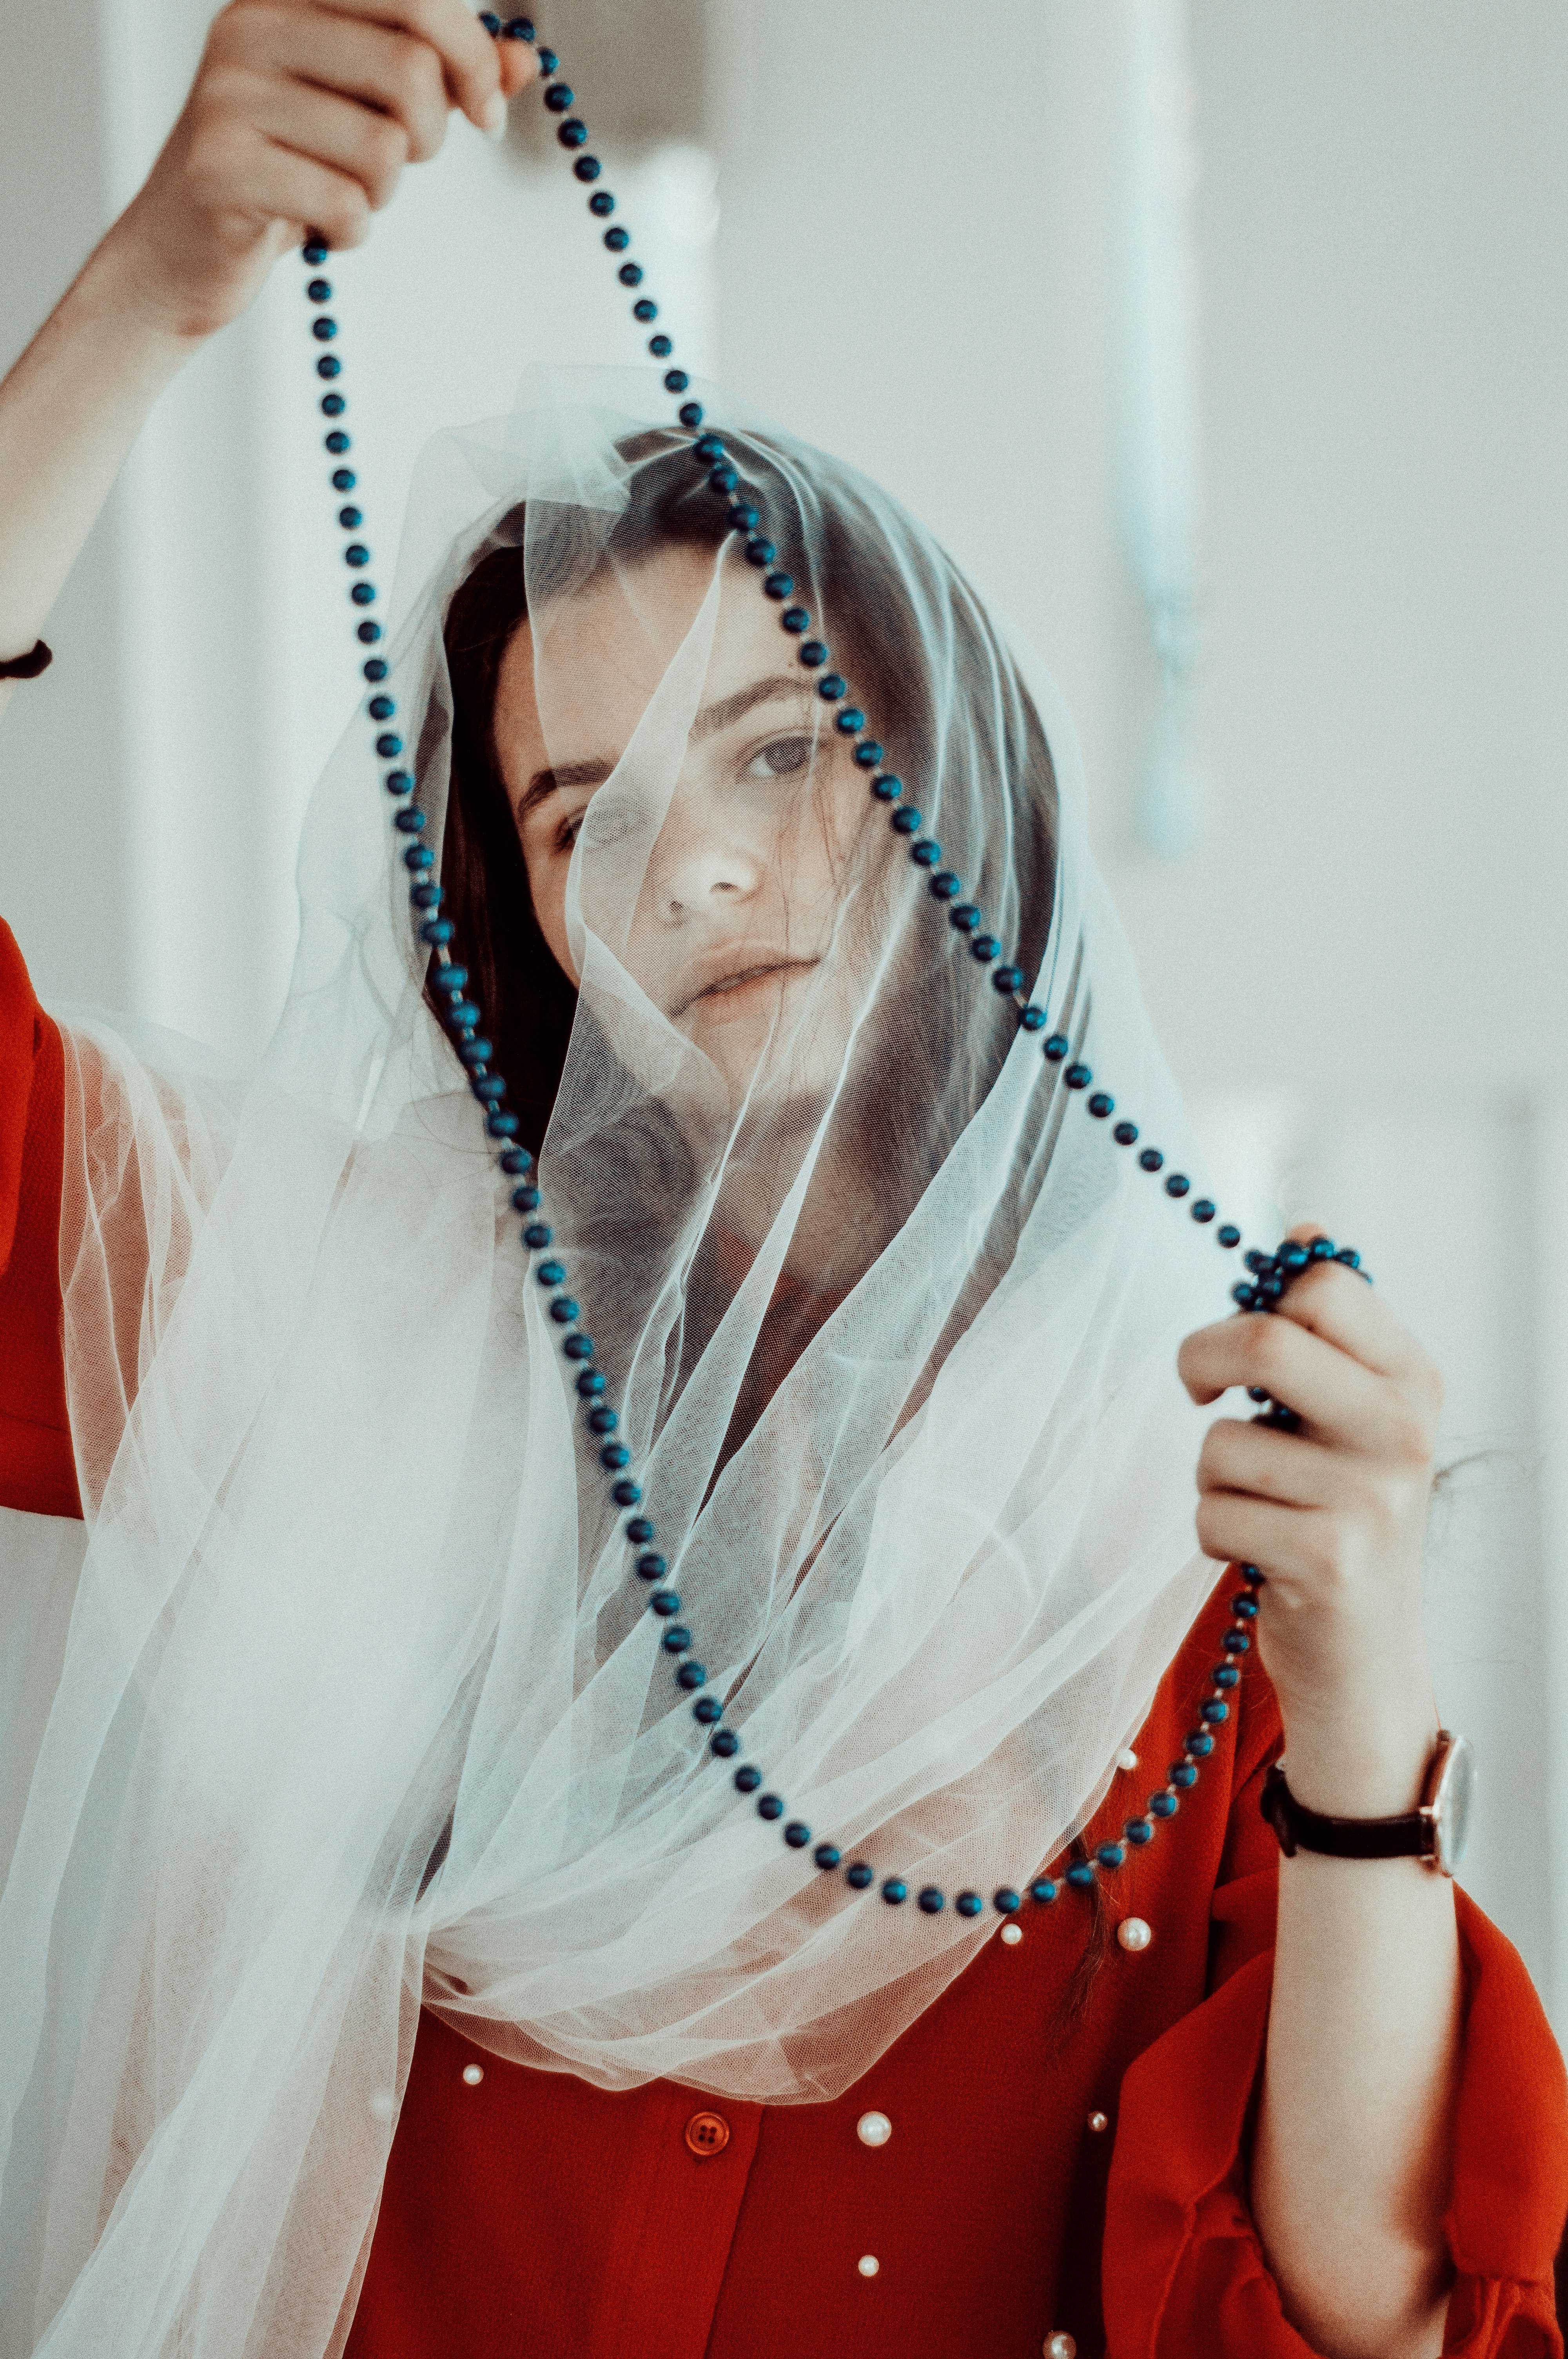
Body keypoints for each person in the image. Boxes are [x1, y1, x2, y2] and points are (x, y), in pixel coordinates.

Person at [0, 8, 1563, 2358]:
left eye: (783, 753)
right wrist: (147, 299)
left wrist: (1360, 1693)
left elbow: (1366, 2312)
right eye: (580, 817)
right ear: (513, 924)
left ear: (960, 792)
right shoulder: (359, 1328)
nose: (704, 871)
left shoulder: (1207, 1468)